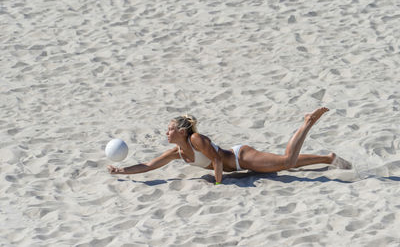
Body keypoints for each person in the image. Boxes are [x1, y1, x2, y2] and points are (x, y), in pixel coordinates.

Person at [107, 107, 351, 184]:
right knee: (284, 164)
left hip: (240, 158)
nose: (166, 132)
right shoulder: (177, 152)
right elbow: (149, 165)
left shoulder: (195, 139)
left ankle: (307, 122)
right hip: (237, 167)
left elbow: (214, 159)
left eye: (170, 128)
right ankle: (327, 158)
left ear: (181, 131)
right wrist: (121, 170)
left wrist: (218, 182)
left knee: (286, 161)